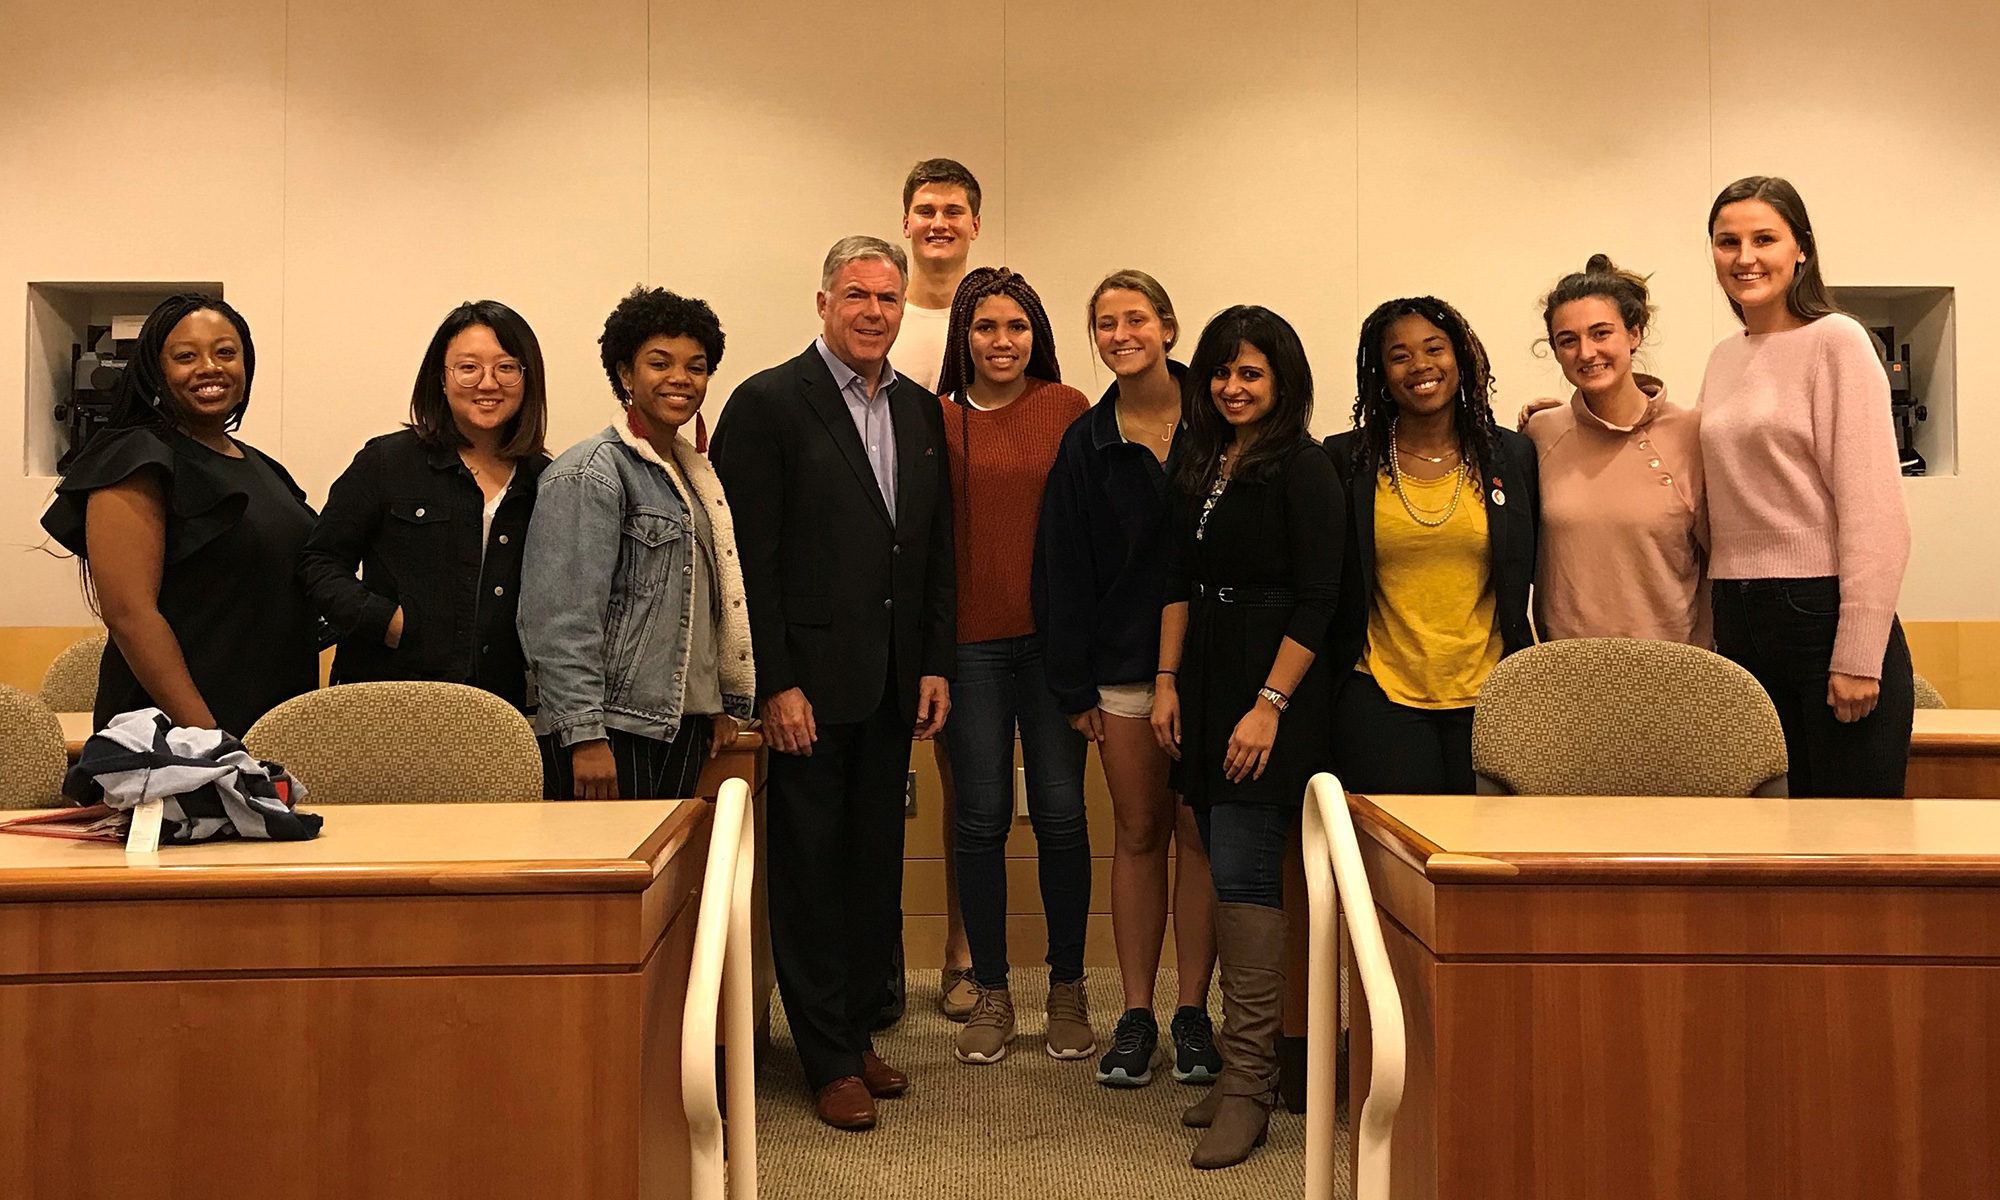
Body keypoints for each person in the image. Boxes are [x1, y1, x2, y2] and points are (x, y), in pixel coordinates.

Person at [709, 236, 955, 1132]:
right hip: (806, 691)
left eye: (889, 300)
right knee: (809, 871)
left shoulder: (921, 411)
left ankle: (851, 1034)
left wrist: (934, 661)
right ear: (823, 303)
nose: (875, 314)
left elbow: (931, 553)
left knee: (870, 869)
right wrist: (774, 683)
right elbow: (749, 565)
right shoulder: (771, 404)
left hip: (891, 684)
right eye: (858, 296)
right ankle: (823, 1059)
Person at [1150, 306, 1341, 1170]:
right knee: (1224, 868)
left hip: (1274, 690)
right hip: (1206, 679)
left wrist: (1268, 705)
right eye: (1221, 372)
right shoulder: (1200, 461)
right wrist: (1165, 682)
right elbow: (1178, 580)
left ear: (1283, 380)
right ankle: (1240, 1070)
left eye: (1251, 373)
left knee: (1246, 871)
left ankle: (1251, 1084)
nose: (1232, 387)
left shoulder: (1303, 468)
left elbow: (1320, 600)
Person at [1036, 270, 1221, 1091]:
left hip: (1219, 671)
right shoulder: (1086, 439)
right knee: (1139, 833)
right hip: (1121, 670)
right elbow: (1063, 569)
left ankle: (1193, 1015)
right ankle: (1138, 1015)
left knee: (1200, 839)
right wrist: (1075, 689)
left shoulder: (1222, 415)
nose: (1120, 334)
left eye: (1135, 318)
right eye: (1104, 323)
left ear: (1170, 328)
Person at [1699, 176, 1912, 796]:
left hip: (1821, 613)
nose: (1744, 258)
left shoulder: (1837, 341)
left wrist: (1858, 653)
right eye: (1726, 241)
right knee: (1769, 850)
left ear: (1801, 249)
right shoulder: (1722, 356)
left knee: (1850, 847)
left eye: (1764, 238)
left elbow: (1875, 511)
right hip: (1736, 613)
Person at [931, 267, 1093, 1066]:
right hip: (970, 648)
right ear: (964, 335)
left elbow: (1098, 534)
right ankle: (991, 990)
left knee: (1062, 815)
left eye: (1017, 327)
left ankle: (1068, 987)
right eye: (987, 327)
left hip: (1055, 647)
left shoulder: (1068, 411)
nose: (1002, 342)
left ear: (1038, 334)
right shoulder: (934, 419)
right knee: (980, 817)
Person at [41, 294, 317, 737]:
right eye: (185, 356)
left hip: (269, 718)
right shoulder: (136, 458)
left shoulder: (263, 468)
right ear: (156, 369)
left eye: (225, 352)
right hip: (177, 737)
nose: (209, 367)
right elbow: (131, 616)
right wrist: (209, 739)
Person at [517, 287, 753, 801]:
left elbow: (694, 612)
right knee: (607, 880)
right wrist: (584, 735)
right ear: (626, 374)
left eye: (696, 366)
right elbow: (560, 620)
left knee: (667, 882)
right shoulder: (591, 473)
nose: (681, 379)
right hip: (612, 733)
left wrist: (713, 703)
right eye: (660, 363)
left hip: (678, 729)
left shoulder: (694, 478)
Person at [1324, 297, 1539, 796]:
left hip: (1492, 695)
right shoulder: (1345, 460)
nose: (1420, 366)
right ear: (1380, 372)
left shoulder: (1511, 454)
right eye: (1399, 355)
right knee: (1400, 863)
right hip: (1377, 694)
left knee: (1483, 861)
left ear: (1460, 358)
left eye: (1434, 349)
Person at [299, 301, 551, 710]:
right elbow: (320, 562)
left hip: (498, 704)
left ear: (527, 379)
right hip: (387, 692)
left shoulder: (546, 480)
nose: (488, 383)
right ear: (442, 378)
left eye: (506, 367)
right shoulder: (387, 462)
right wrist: (385, 622)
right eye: (469, 368)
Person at [897, 156, 985, 1018]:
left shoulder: (994, 319)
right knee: (880, 781)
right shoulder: (886, 316)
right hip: (892, 579)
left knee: (968, 782)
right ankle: (878, 958)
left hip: (971, 585)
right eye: (925, 209)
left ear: (975, 224)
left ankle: (961, 955)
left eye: (953, 210)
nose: (939, 223)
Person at [1524, 257, 1709, 645]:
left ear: (1634, 334)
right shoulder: (1540, 433)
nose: (1586, 353)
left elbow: (1721, 566)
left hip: (1674, 670)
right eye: (1568, 340)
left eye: (1601, 333)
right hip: (1568, 671)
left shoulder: (1693, 433)